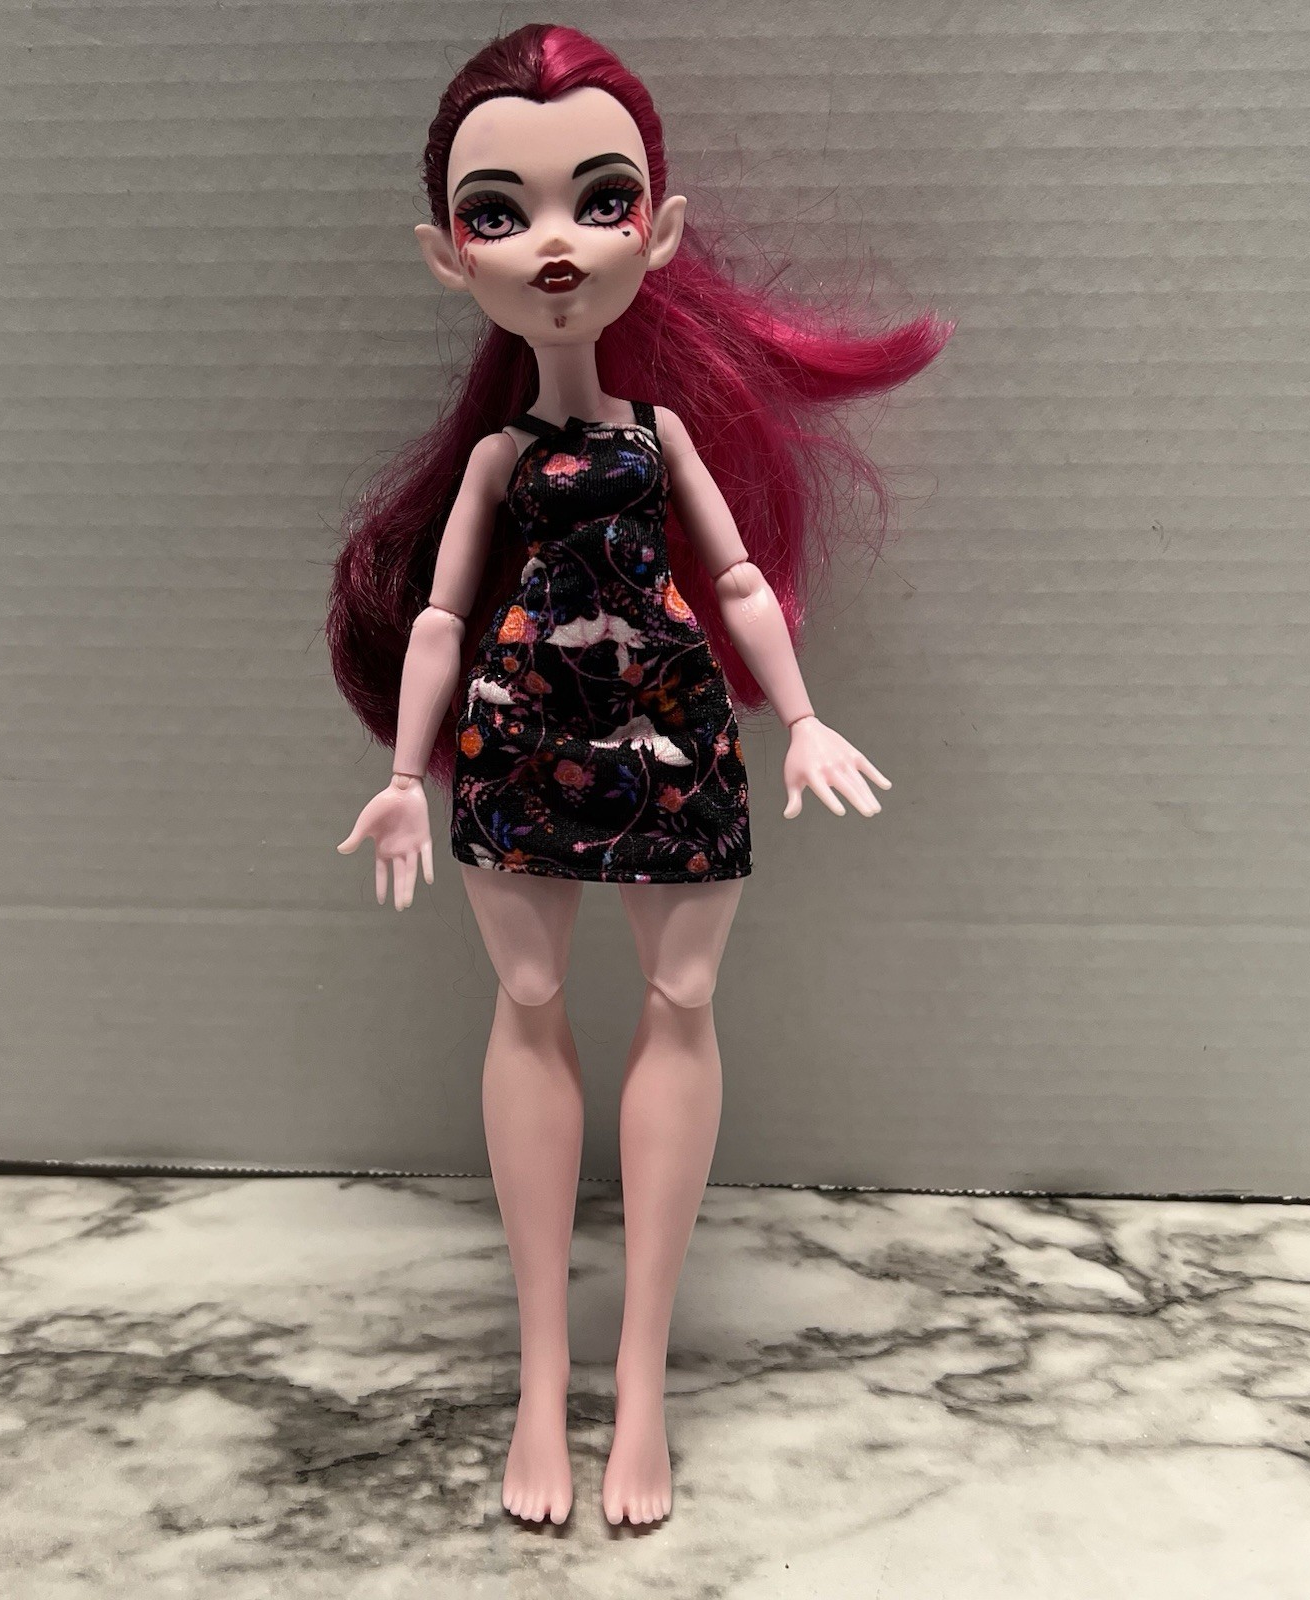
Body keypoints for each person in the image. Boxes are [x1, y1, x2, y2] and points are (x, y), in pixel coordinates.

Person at [327, 23, 952, 1526]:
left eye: (598, 201)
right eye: (499, 213)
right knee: (528, 1003)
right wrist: (407, 770)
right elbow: (439, 616)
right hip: (519, 739)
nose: (555, 243)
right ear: (448, 255)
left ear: (656, 231)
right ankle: (544, 1382)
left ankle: (645, 1388)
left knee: (681, 1006)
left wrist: (803, 718)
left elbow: (735, 583)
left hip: (673, 733)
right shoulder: (498, 461)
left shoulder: (664, 435)